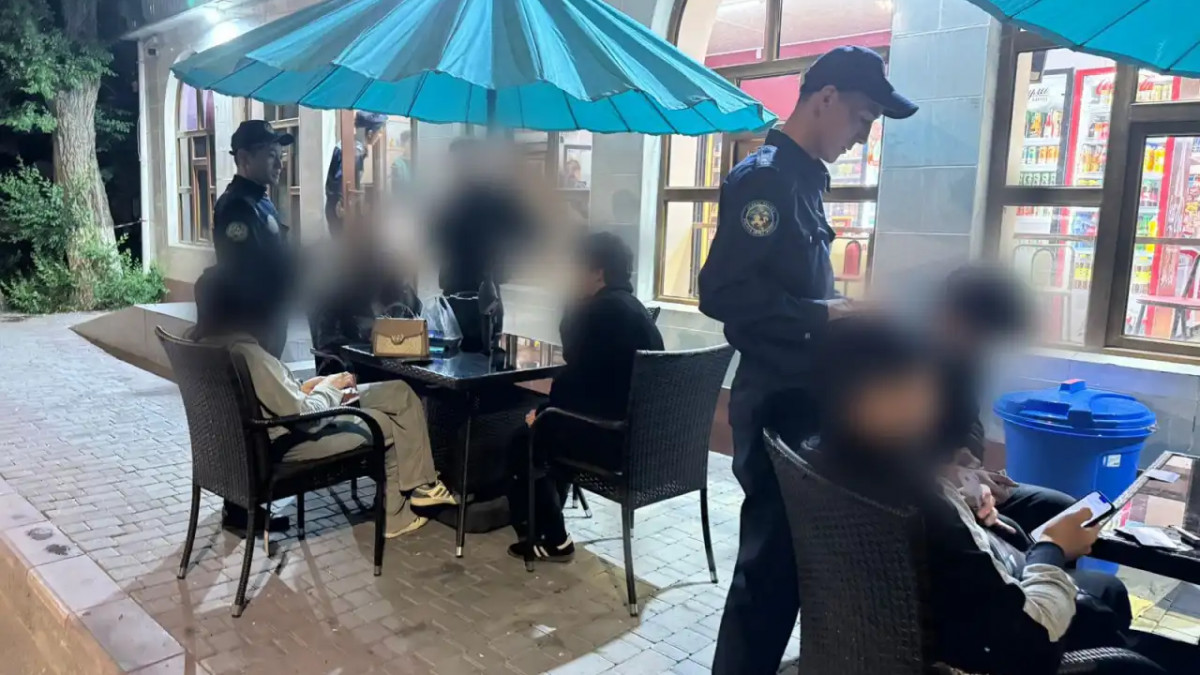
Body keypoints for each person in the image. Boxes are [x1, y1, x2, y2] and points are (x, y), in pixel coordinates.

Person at [697, 46, 918, 674]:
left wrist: (839, 313)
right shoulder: (766, 179)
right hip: (776, 401)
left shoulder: (802, 180)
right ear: (825, 99)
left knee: (794, 565)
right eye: (862, 117)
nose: (863, 136)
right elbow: (722, 292)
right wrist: (825, 315)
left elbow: (789, 285)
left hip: (804, 397)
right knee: (768, 571)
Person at [805, 316, 1157, 675]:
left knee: (1102, 586)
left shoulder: (822, 455)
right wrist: (1051, 548)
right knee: (1107, 616)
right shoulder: (924, 507)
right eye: (921, 387)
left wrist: (960, 484)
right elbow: (1028, 646)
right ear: (875, 399)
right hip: (990, 645)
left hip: (913, 623)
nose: (932, 401)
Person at [192, 265, 455, 538]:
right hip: (293, 440)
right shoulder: (245, 353)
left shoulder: (208, 346)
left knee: (398, 392)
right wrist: (330, 388)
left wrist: (305, 387)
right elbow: (306, 416)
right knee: (387, 423)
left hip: (277, 429)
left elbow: (273, 397)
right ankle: (398, 514)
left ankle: (423, 486)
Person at [506, 232, 663, 562]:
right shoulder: (634, 309)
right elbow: (594, 380)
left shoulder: (598, 313)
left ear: (597, 272)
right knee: (548, 427)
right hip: (644, 441)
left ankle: (550, 537)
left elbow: (575, 378)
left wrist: (544, 412)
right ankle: (551, 521)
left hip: (611, 440)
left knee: (525, 439)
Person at [933, 263, 1077, 535]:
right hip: (914, 493)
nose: (980, 344)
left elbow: (970, 423)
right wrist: (940, 472)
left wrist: (970, 466)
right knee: (1017, 535)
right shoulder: (899, 364)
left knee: (1062, 510)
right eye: (976, 332)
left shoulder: (966, 360)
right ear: (947, 315)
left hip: (958, 483)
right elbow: (870, 459)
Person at [212, 119, 298, 535]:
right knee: (248, 413)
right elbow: (247, 270)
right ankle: (241, 507)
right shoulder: (236, 207)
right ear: (244, 158)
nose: (279, 161)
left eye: (280, 153)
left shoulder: (261, 201)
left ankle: (250, 501)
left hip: (268, 321)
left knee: (259, 411)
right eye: (269, 153)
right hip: (250, 324)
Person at [433, 138, 533, 352]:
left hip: (483, 290)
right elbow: (437, 238)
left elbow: (524, 231)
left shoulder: (491, 198)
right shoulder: (452, 198)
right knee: (461, 348)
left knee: (478, 348)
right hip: (458, 286)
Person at [325, 111, 387, 234]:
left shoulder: (346, 145)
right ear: (370, 133)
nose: (379, 136)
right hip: (342, 211)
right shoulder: (355, 152)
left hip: (334, 207)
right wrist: (344, 203)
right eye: (379, 132)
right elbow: (342, 180)